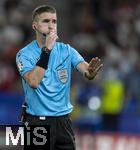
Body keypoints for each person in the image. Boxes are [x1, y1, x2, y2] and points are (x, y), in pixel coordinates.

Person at [16, 4, 103, 150]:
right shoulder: (25, 54)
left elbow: (85, 69)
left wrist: (90, 73)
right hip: (38, 122)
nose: (51, 26)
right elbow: (33, 81)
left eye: (54, 21)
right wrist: (47, 50)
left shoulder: (67, 50)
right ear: (35, 26)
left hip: (64, 123)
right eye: (46, 21)